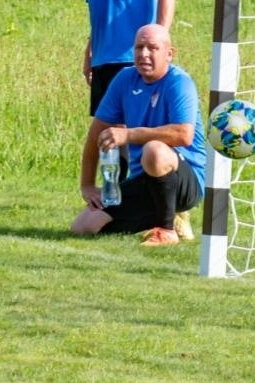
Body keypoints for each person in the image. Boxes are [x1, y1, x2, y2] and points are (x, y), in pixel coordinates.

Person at [73, 23, 206, 246]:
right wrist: (87, 185)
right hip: (143, 178)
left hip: (186, 178)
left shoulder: (179, 83)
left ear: (169, 54)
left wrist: (130, 135)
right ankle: (170, 217)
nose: (144, 54)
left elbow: (184, 134)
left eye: (152, 48)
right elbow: (97, 133)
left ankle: (166, 231)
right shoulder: (124, 79)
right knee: (84, 227)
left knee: (154, 150)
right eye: (139, 47)